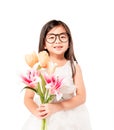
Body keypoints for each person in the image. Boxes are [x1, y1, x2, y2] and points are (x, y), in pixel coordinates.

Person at [22, 19, 92, 130]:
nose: (57, 41)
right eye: (51, 37)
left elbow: (81, 97)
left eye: (62, 37)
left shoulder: (73, 66)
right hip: (45, 116)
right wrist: (36, 111)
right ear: (44, 43)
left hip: (70, 116)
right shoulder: (38, 67)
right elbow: (28, 98)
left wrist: (58, 107)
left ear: (69, 42)